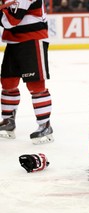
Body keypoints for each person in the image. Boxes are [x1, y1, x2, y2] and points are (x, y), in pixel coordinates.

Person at [0, 0, 54, 144]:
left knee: (36, 86)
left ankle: (45, 125)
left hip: (32, 40)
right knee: (8, 83)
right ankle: (8, 121)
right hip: (13, 42)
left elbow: (11, 20)